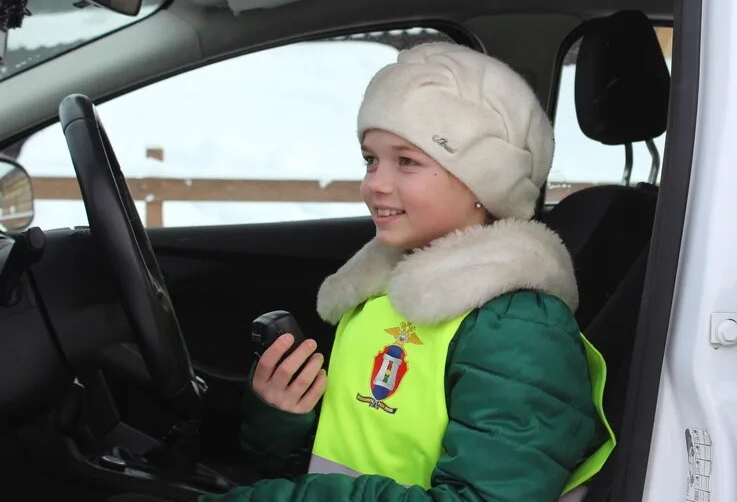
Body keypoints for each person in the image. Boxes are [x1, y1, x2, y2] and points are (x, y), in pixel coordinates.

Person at [204, 42, 614, 502]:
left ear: (484, 181)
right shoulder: (382, 297)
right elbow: (341, 460)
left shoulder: (520, 329)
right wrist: (281, 418)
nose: (375, 183)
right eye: (370, 159)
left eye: (407, 161)